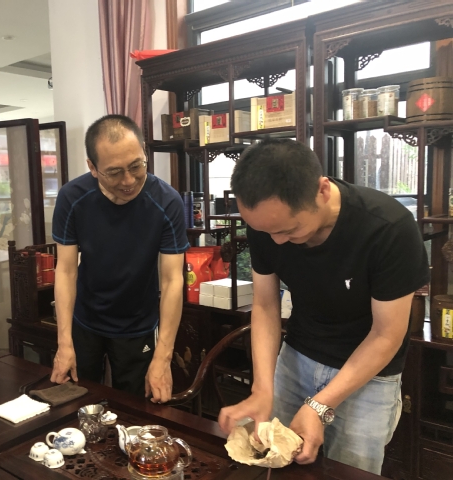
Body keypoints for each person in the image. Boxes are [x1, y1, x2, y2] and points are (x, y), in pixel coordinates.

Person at [217, 139, 429, 475]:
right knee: (282, 467)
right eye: (266, 231)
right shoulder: (267, 224)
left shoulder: (388, 228)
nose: (277, 241)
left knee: (348, 473)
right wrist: (262, 388)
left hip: (368, 376)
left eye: (289, 230)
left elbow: (386, 335)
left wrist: (319, 405)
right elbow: (266, 306)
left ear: (323, 191)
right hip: (297, 357)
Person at [49, 114, 189, 403]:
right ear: (92, 167)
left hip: (138, 323)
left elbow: (172, 280)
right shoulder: (72, 198)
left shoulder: (167, 202)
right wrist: (64, 343)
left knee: (135, 408)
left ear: (144, 153)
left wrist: (163, 358)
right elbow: (65, 271)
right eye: (114, 172)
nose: (128, 181)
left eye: (136, 166)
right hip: (85, 319)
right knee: (78, 403)